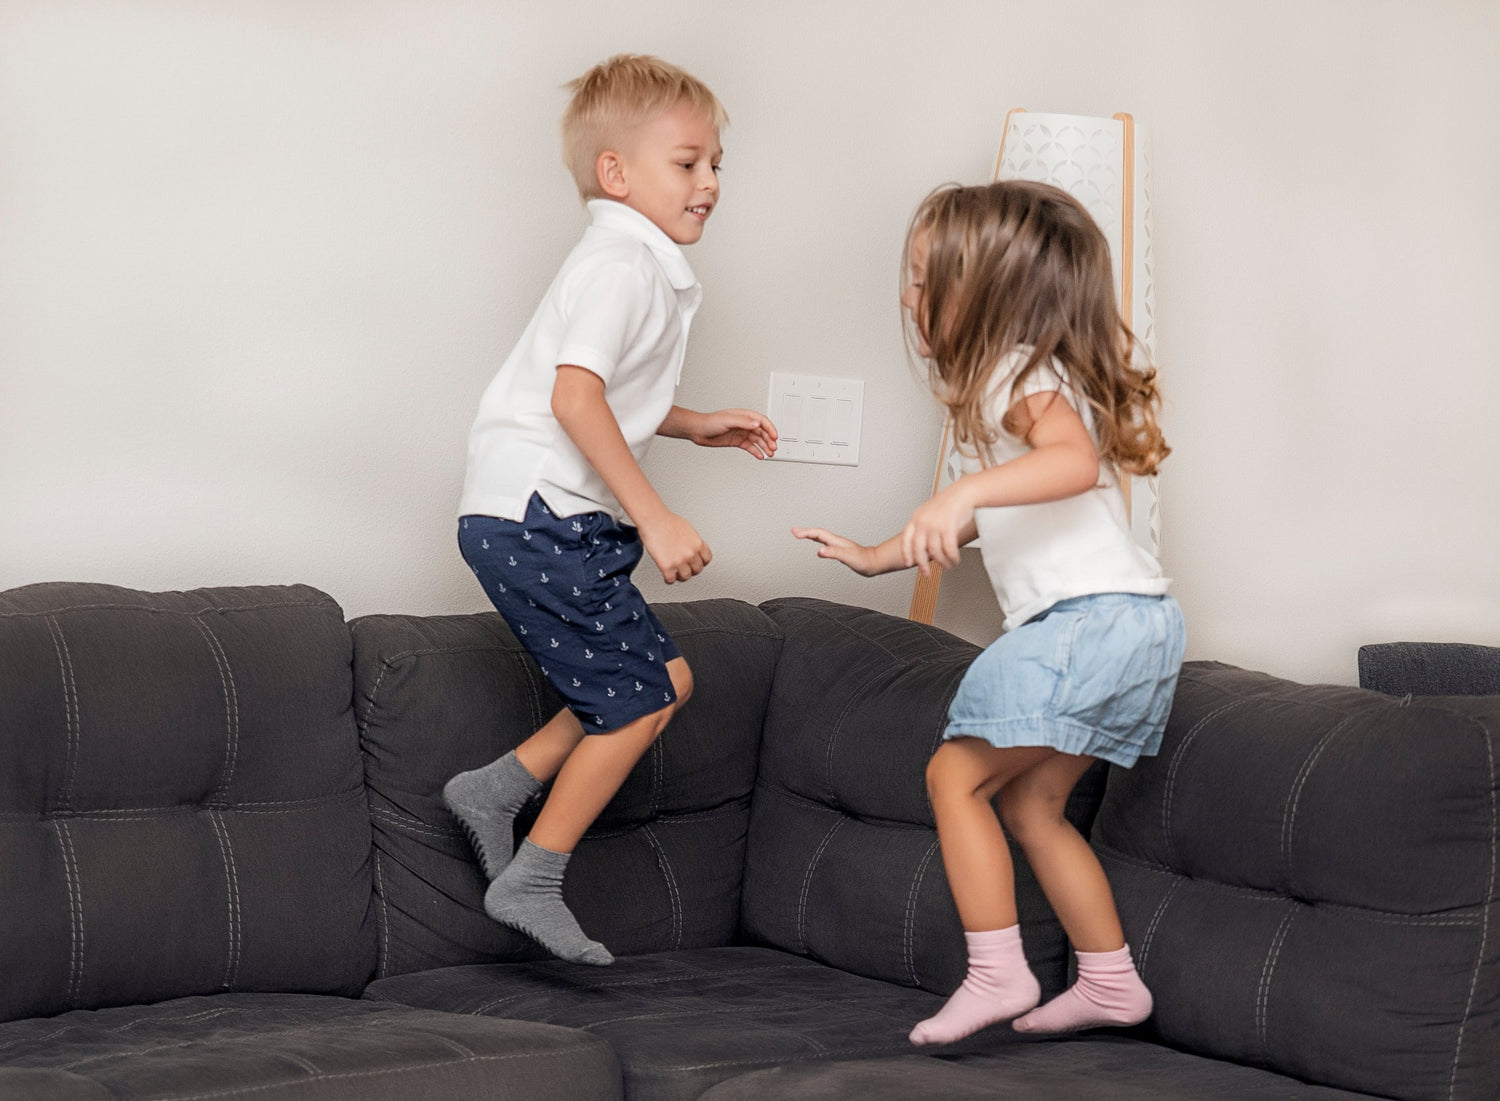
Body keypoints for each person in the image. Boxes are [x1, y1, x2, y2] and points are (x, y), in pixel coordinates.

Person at [793, 179, 1185, 1043]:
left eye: (923, 278)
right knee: (1031, 806)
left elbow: (1073, 463)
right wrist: (879, 553)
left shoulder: (1019, 371)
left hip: (1087, 622)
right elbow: (990, 512)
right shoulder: (1028, 379)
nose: (908, 296)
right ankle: (1111, 979)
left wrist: (963, 490)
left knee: (953, 775)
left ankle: (997, 970)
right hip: (1135, 626)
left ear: (984, 293)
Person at [445, 54, 777, 966]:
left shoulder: (634, 263)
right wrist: (658, 517)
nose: (710, 182)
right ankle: (534, 876)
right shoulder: (622, 264)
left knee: (665, 681)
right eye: (688, 163)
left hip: (541, 514)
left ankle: (495, 789)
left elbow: (605, 386)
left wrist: (693, 422)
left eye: (717, 165)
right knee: (633, 704)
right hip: (537, 515)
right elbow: (574, 398)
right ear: (616, 173)